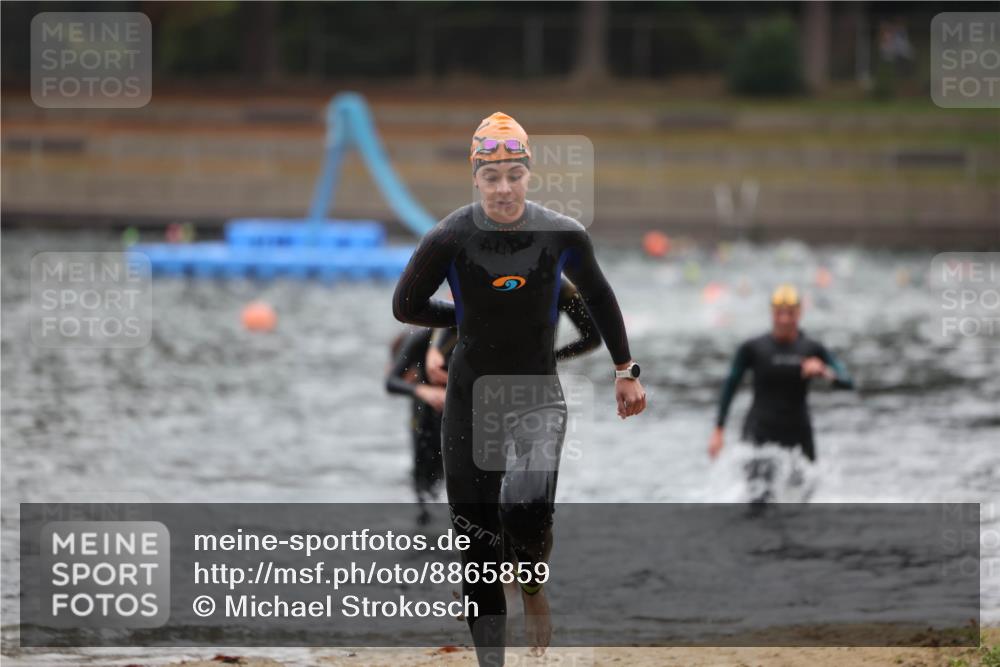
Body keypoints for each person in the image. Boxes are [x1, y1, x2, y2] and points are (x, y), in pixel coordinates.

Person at [392, 112, 645, 666]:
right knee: (478, 553)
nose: (503, 188)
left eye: (514, 174)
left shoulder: (562, 235)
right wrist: (466, 315)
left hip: (536, 397)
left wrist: (626, 371)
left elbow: (599, 299)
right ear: (475, 176)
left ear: (530, 173)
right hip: (468, 403)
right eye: (491, 176)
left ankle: (532, 588)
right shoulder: (449, 237)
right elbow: (405, 306)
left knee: (525, 507)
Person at [709, 284, 854, 469]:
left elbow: (848, 382)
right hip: (759, 434)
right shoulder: (752, 348)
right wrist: (718, 430)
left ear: (799, 313)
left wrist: (824, 371)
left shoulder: (812, 349)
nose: (784, 319)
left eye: (790, 313)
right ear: (772, 312)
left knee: (802, 494)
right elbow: (730, 386)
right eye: (780, 313)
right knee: (759, 496)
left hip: (798, 435)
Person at [385, 327, 451, 525]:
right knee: (424, 483)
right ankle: (424, 520)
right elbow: (391, 382)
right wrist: (426, 392)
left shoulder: (474, 334)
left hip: (462, 421)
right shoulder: (422, 338)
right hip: (425, 416)